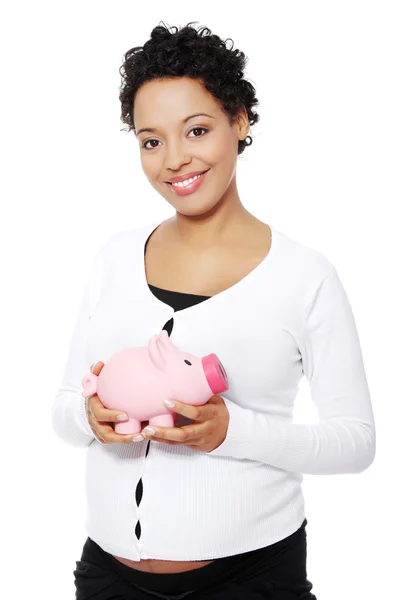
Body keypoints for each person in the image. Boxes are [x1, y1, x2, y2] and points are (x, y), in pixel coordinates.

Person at [51, 21, 376, 600]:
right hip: (106, 576)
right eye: (151, 141)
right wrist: (90, 419)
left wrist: (232, 432)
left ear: (240, 120)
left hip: (249, 581)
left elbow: (356, 443)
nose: (174, 160)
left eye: (196, 130)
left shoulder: (305, 277)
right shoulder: (113, 258)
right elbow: (64, 409)